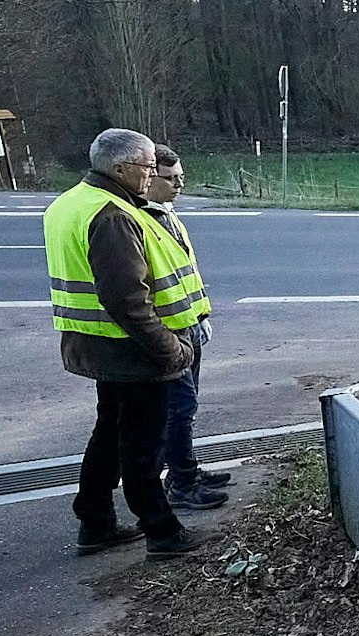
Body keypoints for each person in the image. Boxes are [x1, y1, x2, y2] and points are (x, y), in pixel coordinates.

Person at [43, 127, 206, 557]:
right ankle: (162, 531)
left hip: (98, 345)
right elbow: (128, 300)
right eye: (148, 167)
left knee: (109, 436)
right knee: (141, 447)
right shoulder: (115, 215)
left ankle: (95, 521)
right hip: (133, 351)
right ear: (120, 168)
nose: (152, 175)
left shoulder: (72, 202)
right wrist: (171, 352)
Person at [142, 143, 231, 511]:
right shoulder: (145, 217)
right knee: (179, 408)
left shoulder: (167, 212)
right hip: (169, 331)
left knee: (185, 407)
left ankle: (186, 470)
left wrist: (201, 317)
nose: (179, 184)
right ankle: (180, 482)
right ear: (151, 178)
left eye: (182, 177)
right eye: (171, 178)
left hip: (187, 324)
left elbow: (185, 274)